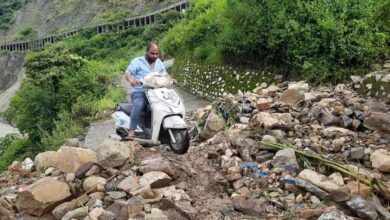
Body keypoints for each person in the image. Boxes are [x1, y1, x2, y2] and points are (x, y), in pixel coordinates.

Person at [124, 41, 166, 139]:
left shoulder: (159, 63)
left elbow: (164, 75)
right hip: (140, 92)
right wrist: (131, 80)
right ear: (146, 52)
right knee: (138, 104)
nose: (155, 56)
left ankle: (162, 130)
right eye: (152, 53)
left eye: (157, 54)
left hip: (156, 92)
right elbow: (128, 72)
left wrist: (171, 79)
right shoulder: (137, 61)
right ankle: (131, 132)